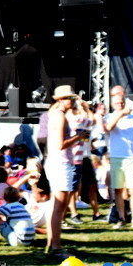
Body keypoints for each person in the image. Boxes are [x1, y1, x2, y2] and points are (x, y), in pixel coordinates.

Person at [44, 85, 88, 255]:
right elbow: (61, 144)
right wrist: (79, 136)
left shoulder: (55, 115)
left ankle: (52, 244)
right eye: (70, 98)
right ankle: (56, 247)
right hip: (61, 163)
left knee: (57, 207)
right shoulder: (60, 117)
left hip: (57, 162)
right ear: (62, 100)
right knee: (59, 207)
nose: (73, 101)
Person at [102, 89, 133, 230]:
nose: (120, 105)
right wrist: (120, 115)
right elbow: (108, 128)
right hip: (116, 157)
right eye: (117, 103)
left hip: (132, 157)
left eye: (122, 102)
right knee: (117, 189)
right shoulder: (109, 117)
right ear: (112, 105)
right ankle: (121, 218)